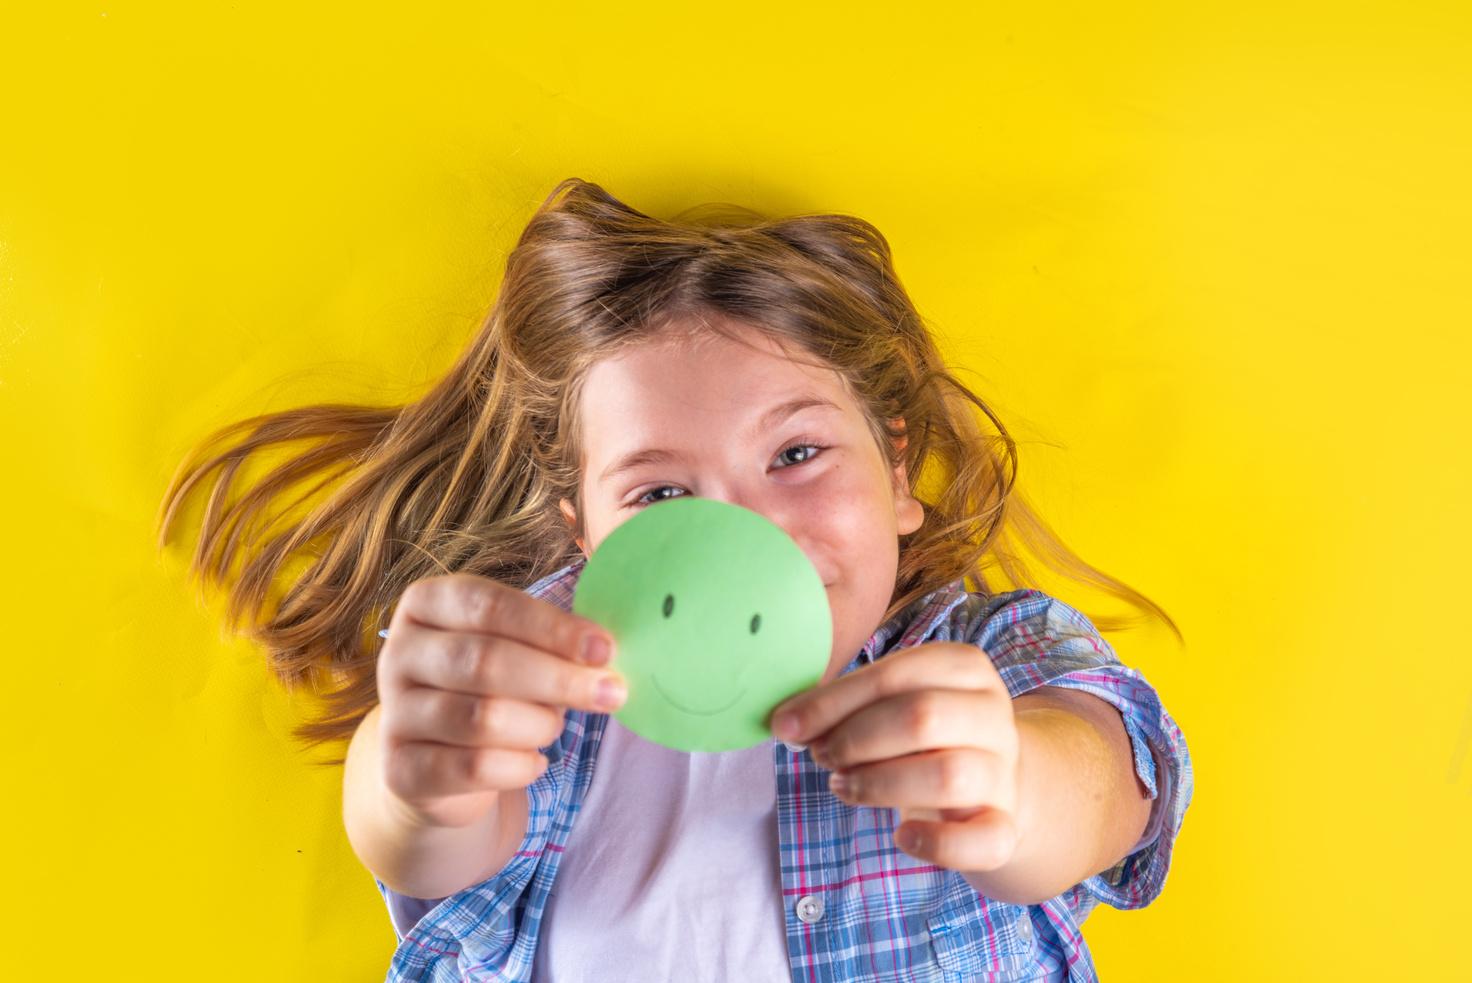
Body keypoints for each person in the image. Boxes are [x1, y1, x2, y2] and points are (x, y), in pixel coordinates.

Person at [156, 178, 1193, 982]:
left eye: (795, 455)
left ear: (895, 472)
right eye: (659, 494)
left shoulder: (993, 655)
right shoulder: (532, 670)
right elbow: (426, 846)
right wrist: (413, 771)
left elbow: (1110, 786)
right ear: (585, 532)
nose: (738, 535)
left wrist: (1013, 779)